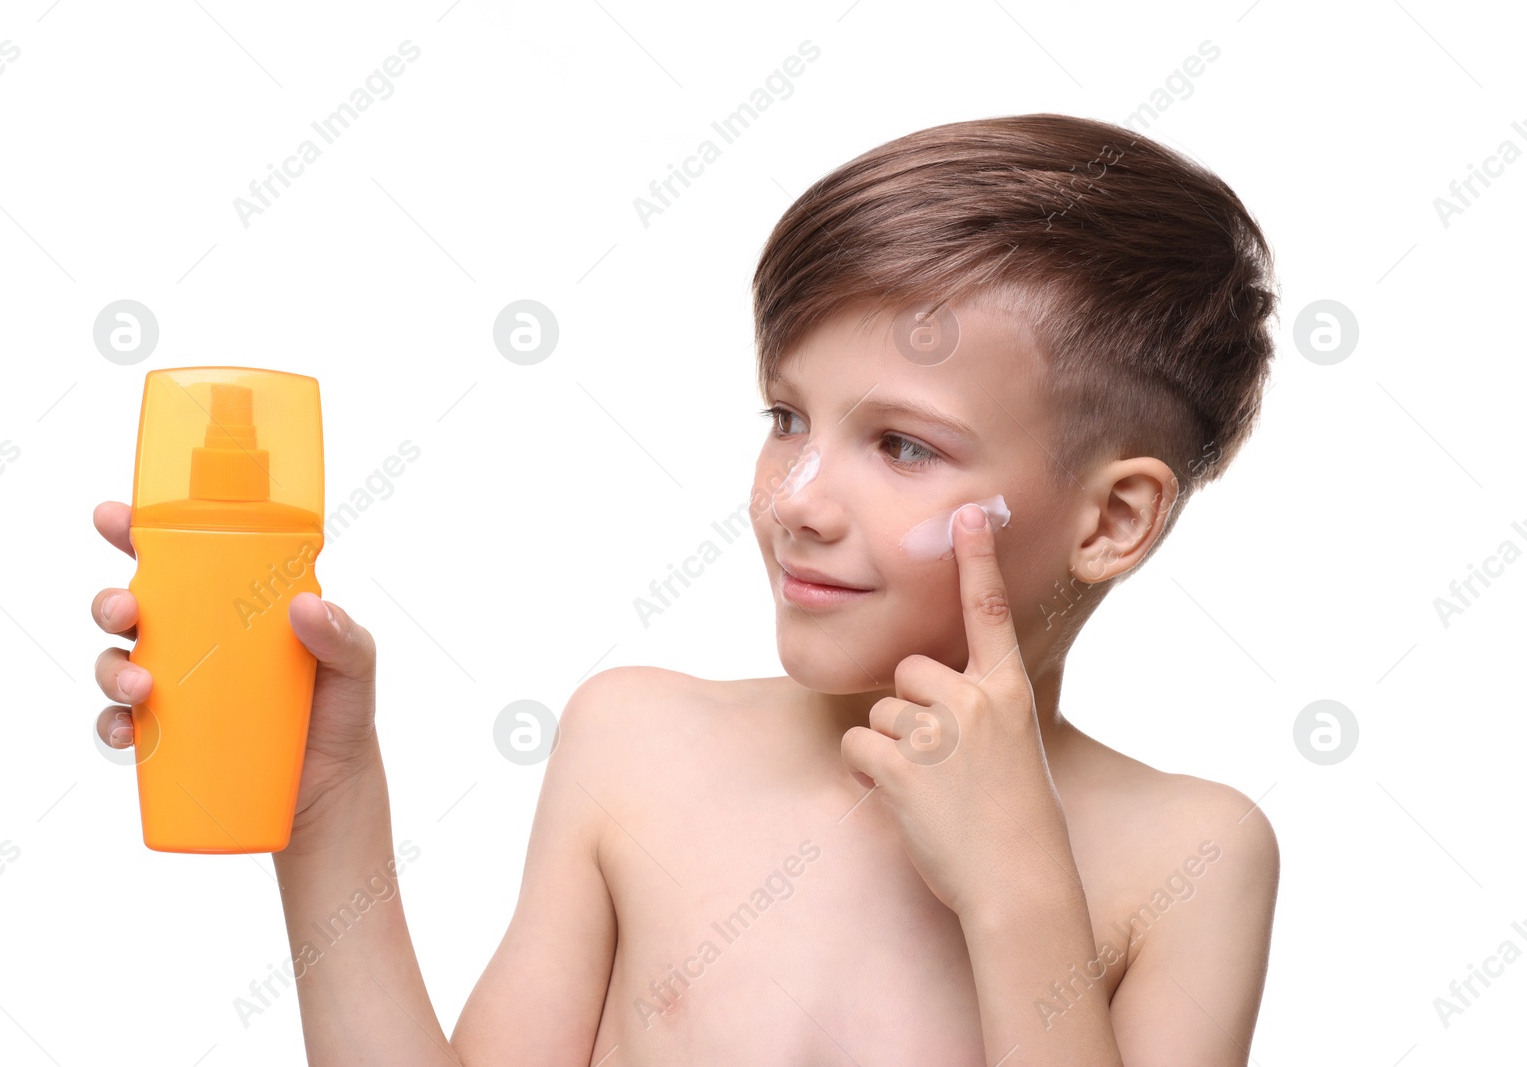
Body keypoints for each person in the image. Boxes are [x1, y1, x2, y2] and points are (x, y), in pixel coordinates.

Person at [90, 112, 1281, 1065]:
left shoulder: (1190, 857)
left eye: (902, 446)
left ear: (1112, 518)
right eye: (786, 418)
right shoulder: (637, 740)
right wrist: (323, 810)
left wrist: (1018, 884)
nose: (797, 497)